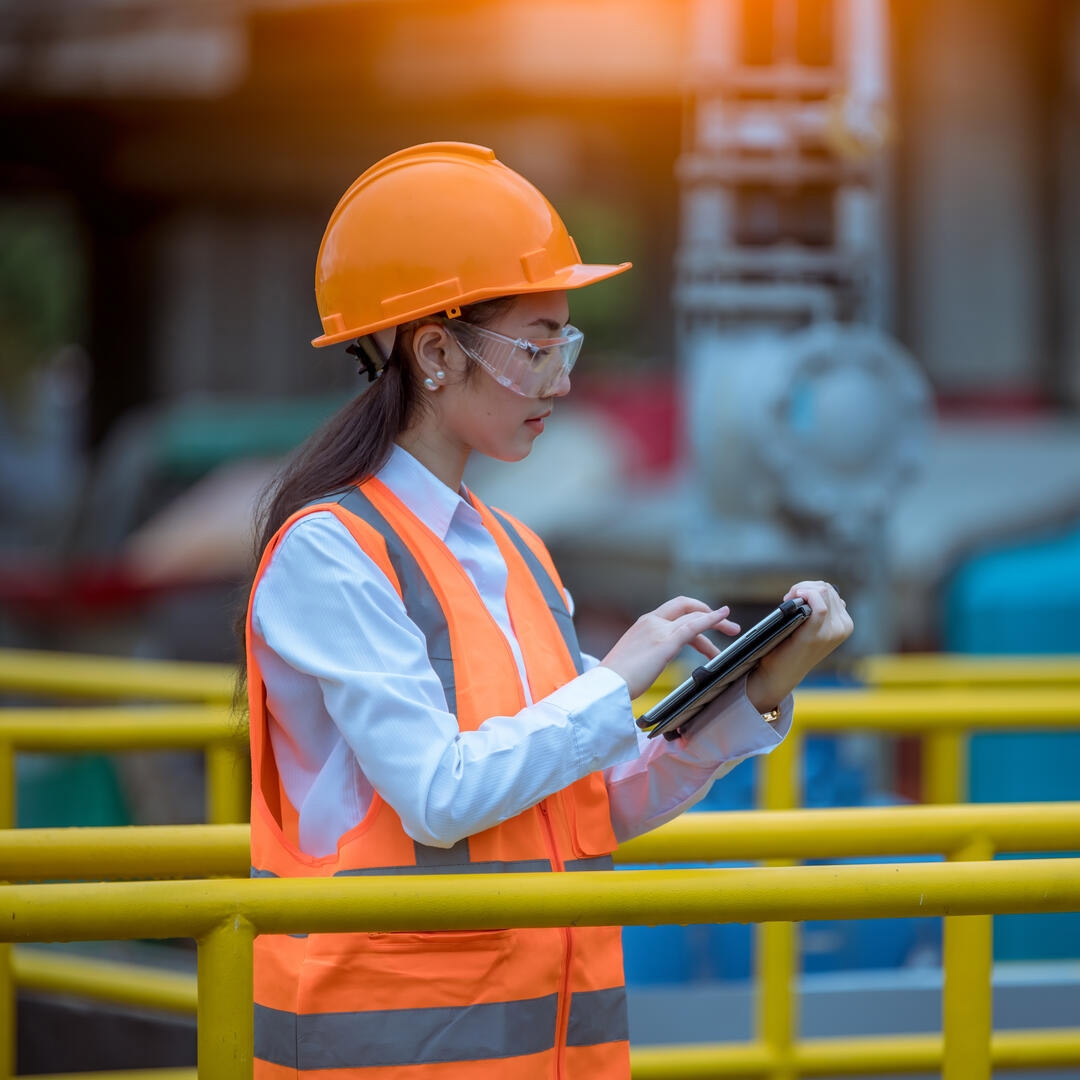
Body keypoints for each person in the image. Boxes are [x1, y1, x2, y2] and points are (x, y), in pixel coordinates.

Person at [243, 141, 853, 1079]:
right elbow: (441, 799)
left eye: (567, 343)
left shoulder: (515, 550)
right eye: (537, 345)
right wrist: (613, 679)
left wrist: (754, 695)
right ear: (436, 351)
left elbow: (581, 809)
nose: (562, 380)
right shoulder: (331, 551)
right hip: (394, 1052)